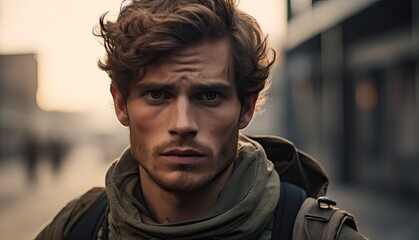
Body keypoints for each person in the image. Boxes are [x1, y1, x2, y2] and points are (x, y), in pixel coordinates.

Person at [35, 0, 367, 239]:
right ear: (121, 104)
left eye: (208, 96)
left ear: (246, 108)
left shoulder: (314, 234)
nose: (182, 123)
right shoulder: (76, 227)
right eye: (158, 95)